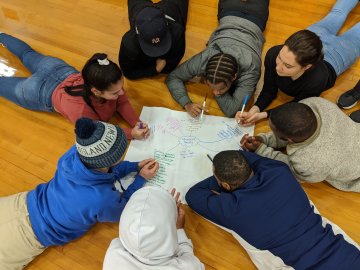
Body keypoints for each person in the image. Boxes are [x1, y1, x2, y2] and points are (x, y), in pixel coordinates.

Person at [0, 117, 159, 269]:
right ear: (111, 161)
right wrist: (140, 178)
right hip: (31, 235)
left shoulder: (74, 154)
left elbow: (104, 170)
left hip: (24, 203)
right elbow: (124, 209)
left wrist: (134, 166)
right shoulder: (102, 199)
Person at [186, 150, 360, 269]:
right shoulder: (278, 171)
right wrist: (231, 171)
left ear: (224, 184)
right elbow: (245, 156)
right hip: (346, 254)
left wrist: (222, 180)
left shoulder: (231, 208)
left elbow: (193, 195)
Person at [0, 33, 150, 140]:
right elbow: (99, 132)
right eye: (115, 93)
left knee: (27, 54)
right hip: (39, 91)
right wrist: (131, 134)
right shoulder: (80, 110)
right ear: (96, 91)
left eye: (121, 87)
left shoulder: (108, 80)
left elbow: (121, 102)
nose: (122, 93)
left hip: (56, 68)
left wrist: (136, 123)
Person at [238, 0, 360, 126]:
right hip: (314, 37)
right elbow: (269, 88)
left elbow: (298, 104)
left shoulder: (316, 80)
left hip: (338, 55)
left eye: (288, 66)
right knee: (337, 12)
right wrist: (255, 109)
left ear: (306, 67)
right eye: (280, 58)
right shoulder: (274, 53)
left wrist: (265, 115)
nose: (278, 67)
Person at [166, 0, 270, 118]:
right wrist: (187, 103)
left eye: (220, 89)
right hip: (248, 14)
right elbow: (173, 77)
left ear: (234, 76)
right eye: (211, 87)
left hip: (242, 14)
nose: (215, 93)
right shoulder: (205, 58)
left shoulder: (251, 69)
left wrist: (218, 93)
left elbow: (231, 110)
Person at [241, 97, 360, 192]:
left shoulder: (311, 163)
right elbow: (292, 131)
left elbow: (293, 171)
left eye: (273, 131)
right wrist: (264, 139)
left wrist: (262, 150)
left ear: (289, 140)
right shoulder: (315, 103)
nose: (270, 131)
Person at [103, 186, 204, 270]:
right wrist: (179, 229)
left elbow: (132, 238)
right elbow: (188, 256)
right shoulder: (188, 267)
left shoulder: (112, 253)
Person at [119, 0, 188, 79]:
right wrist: (155, 70)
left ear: (168, 25)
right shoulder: (129, 43)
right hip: (138, 10)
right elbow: (128, 72)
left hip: (171, 10)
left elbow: (172, 64)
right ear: (137, 32)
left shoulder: (177, 31)